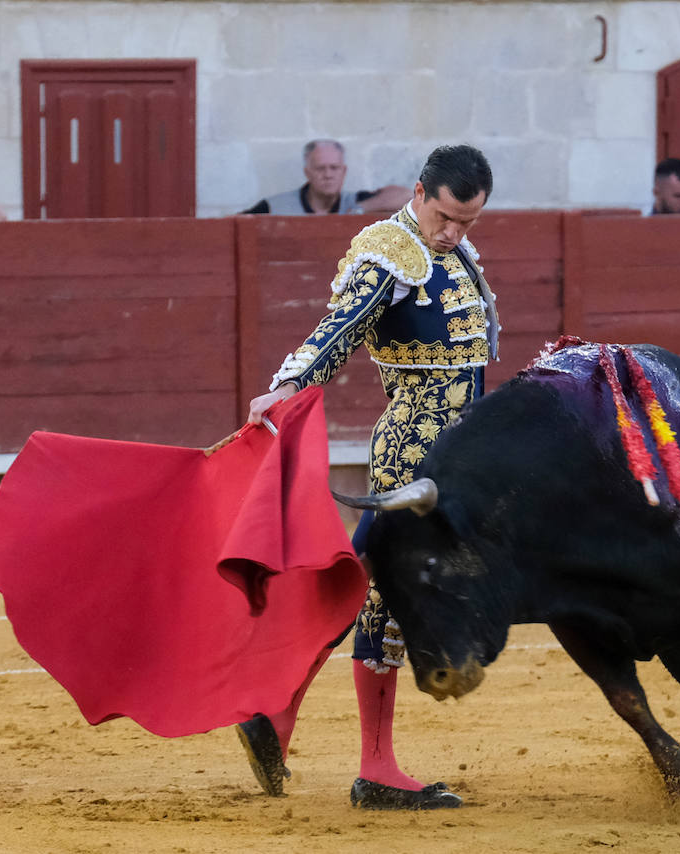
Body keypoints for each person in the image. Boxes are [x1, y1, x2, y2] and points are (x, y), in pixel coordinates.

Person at [237, 144, 498, 811]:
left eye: (467, 222)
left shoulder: (453, 252)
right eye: (445, 216)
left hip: (453, 456)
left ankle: (277, 712)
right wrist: (290, 385)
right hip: (414, 450)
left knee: (365, 588)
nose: (454, 232)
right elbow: (342, 327)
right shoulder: (390, 247)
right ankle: (370, 764)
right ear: (418, 192)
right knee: (383, 602)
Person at [242, 139, 409, 216]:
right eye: (320, 168)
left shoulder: (355, 201)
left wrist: (360, 209)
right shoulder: (274, 207)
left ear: (343, 171)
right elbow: (232, 225)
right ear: (307, 172)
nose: (328, 175)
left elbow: (408, 196)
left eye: (334, 168)